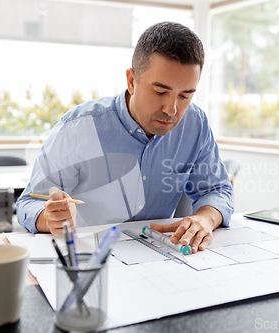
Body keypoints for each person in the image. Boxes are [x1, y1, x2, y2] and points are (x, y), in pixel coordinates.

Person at [17, 22, 233, 254]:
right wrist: (49, 218)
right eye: (160, 92)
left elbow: (216, 190)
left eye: (185, 95)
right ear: (131, 81)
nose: (172, 109)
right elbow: (29, 203)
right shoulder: (78, 128)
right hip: (88, 257)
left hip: (158, 256)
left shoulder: (195, 124)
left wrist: (205, 219)